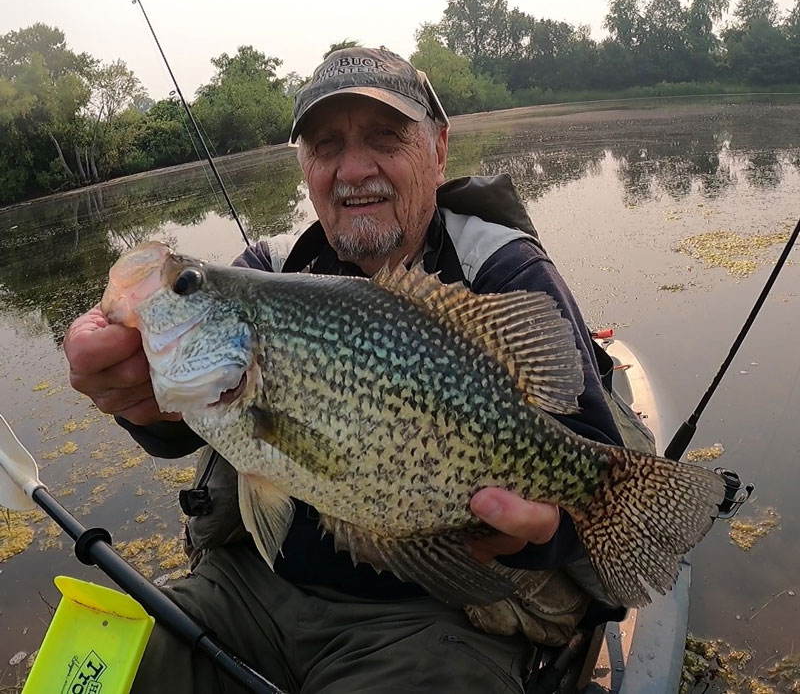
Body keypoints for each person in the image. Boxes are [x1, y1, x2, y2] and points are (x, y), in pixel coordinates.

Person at [64, 47, 640, 693]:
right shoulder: (269, 270)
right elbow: (195, 413)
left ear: (439, 148)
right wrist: (134, 395)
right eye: (326, 145)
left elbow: (595, 472)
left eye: (385, 137)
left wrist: (546, 533)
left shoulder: (504, 271)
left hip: (434, 618)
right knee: (88, 674)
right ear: (306, 167)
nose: (354, 169)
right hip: (248, 590)